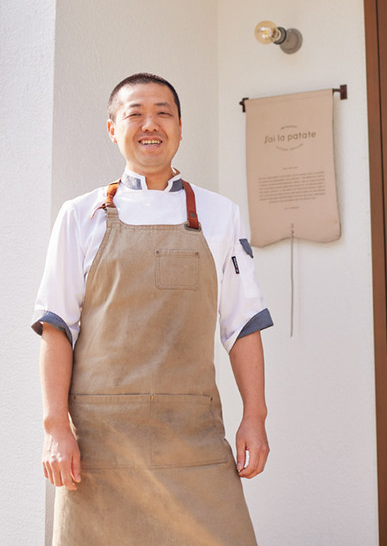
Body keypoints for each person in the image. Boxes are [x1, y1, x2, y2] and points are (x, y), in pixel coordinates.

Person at [33, 73, 273, 545]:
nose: (151, 124)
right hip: (101, 444)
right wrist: (55, 427)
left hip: (192, 436)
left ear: (181, 128)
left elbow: (243, 325)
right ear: (112, 129)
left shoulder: (219, 213)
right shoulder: (80, 215)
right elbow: (55, 328)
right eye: (135, 113)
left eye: (163, 113)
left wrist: (255, 417)